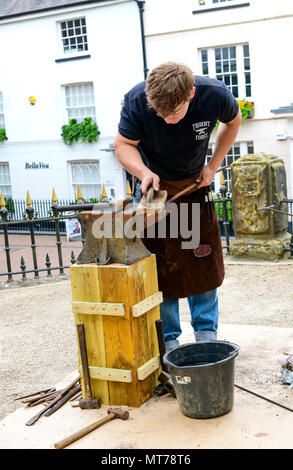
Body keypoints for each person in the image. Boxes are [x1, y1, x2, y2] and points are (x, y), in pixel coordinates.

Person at [114, 62, 241, 351]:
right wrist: (143, 172)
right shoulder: (137, 100)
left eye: (174, 112)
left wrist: (213, 165)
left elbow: (234, 122)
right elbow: (122, 145)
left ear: (192, 93)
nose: (168, 119)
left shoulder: (214, 94)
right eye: (160, 113)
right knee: (160, 265)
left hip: (195, 183)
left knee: (201, 259)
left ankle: (206, 333)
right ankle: (169, 339)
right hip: (154, 189)